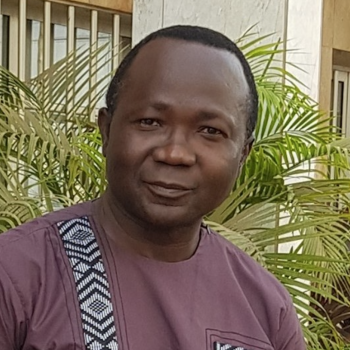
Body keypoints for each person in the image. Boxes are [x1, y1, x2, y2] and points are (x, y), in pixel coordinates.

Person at [0, 25, 305, 350]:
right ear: (106, 131)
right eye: (150, 122)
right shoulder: (17, 275)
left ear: (243, 153)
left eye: (209, 130)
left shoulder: (266, 309)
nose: (174, 153)